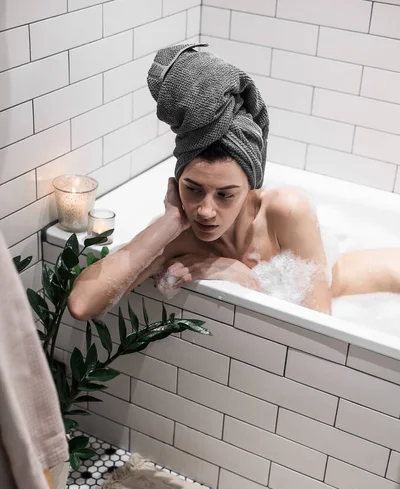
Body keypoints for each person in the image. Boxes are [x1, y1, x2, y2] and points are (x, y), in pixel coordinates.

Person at [68, 43, 400, 321]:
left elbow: (317, 323)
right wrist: (169, 222)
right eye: (192, 189)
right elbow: (82, 305)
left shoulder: (284, 211)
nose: (205, 211)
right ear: (176, 181)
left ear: (252, 185)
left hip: (358, 282)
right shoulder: (177, 235)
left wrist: (241, 277)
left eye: (226, 195)